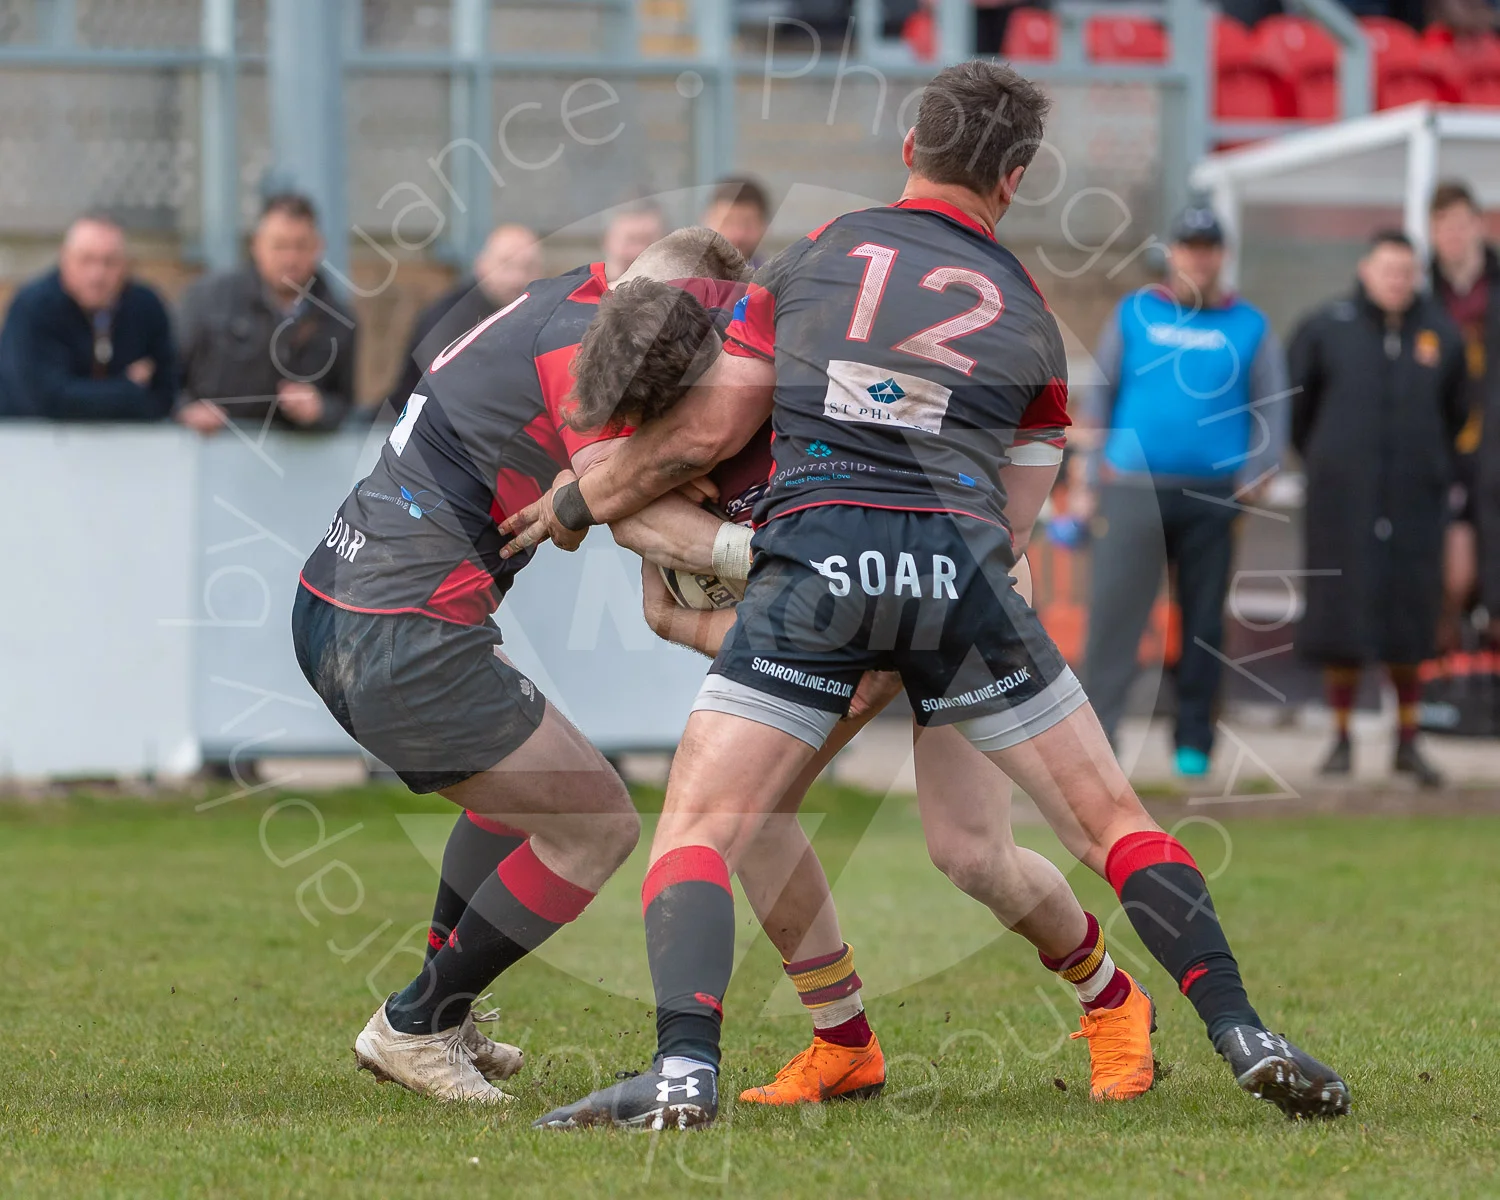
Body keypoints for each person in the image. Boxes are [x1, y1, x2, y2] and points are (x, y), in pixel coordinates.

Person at [506, 61, 1349, 1129]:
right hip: (957, 576)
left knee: (891, 843)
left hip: (828, 575)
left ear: (910, 148)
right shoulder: (1035, 318)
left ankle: (696, 1070)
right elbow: (1014, 522)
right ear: (1016, 176)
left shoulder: (810, 266)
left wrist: (583, 502)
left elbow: (701, 447)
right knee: (1097, 822)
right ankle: (1233, 1029)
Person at [290, 227, 904, 1108]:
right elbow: (630, 505)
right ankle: (417, 1021)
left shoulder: (565, 302)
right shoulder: (584, 337)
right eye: (709, 341)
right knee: (597, 821)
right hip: (398, 628)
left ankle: (443, 1014)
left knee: (520, 792)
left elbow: (616, 503)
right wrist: (777, 560)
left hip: (342, 597)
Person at [578, 311, 1157, 1105]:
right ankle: (844, 1042)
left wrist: (842, 659)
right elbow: (695, 620)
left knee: (971, 853)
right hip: (840, 634)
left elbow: (892, 555)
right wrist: (716, 624)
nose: (659, 443)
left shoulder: (790, 409)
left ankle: (1113, 997)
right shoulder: (653, 461)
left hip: (954, 599)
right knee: (751, 817)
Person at [1073, 204, 1289, 777]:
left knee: (1203, 623)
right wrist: (1090, 477)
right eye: (1189, 246)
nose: (1199, 257)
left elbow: (1271, 405)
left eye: (1209, 247)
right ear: (1174, 253)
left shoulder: (1250, 325)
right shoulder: (1136, 313)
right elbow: (1100, 394)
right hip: (1132, 488)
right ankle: (1101, 739)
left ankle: (1194, 742)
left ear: (1221, 255)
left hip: (1212, 495)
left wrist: (1257, 472)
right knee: (1115, 617)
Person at [1289, 231, 1468, 786]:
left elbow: (1456, 413)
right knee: (1342, 616)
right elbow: (1298, 412)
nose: (1397, 280)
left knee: (1410, 619)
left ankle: (1408, 741)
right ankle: (1341, 737)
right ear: (1366, 270)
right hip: (1344, 505)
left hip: (1415, 506)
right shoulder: (1325, 328)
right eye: (1387, 269)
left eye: (1406, 271)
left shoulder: (1441, 334)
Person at [177, 193, 356, 434]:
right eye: (279, 246)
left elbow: (345, 402)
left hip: (298, 463)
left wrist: (320, 410)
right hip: (212, 454)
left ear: (318, 247)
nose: (290, 258)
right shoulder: (208, 301)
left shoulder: (338, 319)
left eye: (301, 246)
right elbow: (171, 380)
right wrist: (188, 409)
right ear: (256, 246)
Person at [0, 214, 176, 421]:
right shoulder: (34, 306)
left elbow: (165, 394)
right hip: (33, 445)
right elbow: (43, 399)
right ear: (64, 259)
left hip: (128, 446)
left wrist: (88, 395)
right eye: (86, 260)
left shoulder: (145, 307)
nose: (97, 274)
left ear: (126, 265)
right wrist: (128, 388)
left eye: (109, 262)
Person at [1428, 182, 1500, 652]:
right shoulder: (1419, 296)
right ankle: (1439, 695)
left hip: (1494, 449)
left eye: (1461, 224)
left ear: (1477, 225)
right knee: (1453, 580)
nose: (1453, 236)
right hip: (1446, 455)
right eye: (1443, 227)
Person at [385, 224, 542, 407]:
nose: (517, 278)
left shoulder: (542, 315)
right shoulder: (448, 317)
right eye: (506, 265)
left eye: (528, 267)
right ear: (481, 265)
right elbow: (448, 390)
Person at [699, 176, 771, 266]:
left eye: (748, 224)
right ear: (707, 221)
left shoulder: (775, 277)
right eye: (727, 222)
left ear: (764, 227)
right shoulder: (682, 275)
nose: (738, 234)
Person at [601, 199, 667, 282]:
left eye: (648, 243)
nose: (638, 251)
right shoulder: (585, 290)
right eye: (631, 241)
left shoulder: (678, 291)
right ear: (608, 241)